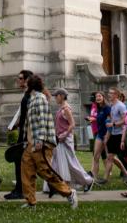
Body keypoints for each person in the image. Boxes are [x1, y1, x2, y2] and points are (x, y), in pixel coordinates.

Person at [20, 75, 77, 210]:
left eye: (26, 84)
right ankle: (31, 202)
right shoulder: (33, 99)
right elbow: (30, 123)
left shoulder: (39, 98)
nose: (24, 85)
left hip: (41, 143)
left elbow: (42, 120)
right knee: (26, 170)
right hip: (31, 143)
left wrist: (39, 140)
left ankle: (69, 193)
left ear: (31, 86)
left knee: (45, 171)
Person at [44, 89, 92, 195]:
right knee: (56, 162)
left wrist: (64, 135)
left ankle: (88, 181)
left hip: (65, 140)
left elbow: (72, 124)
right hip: (59, 139)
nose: (55, 98)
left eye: (56, 96)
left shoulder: (66, 109)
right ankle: (55, 185)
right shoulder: (61, 108)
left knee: (71, 164)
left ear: (61, 96)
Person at [4, 70, 33, 200]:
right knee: (20, 162)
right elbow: (23, 116)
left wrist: (27, 135)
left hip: (26, 136)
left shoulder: (29, 96)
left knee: (22, 162)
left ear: (27, 80)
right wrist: (15, 125)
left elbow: (29, 117)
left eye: (20, 78)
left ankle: (20, 190)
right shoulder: (26, 95)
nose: (18, 80)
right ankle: (19, 189)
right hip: (23, 134)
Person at [104, 87, 127, 185]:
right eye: (109, 93)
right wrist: (108, 133)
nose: (109, 95)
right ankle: (105, 179)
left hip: (120, 135)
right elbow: (113, 120)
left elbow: (125, 120)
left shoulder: (121, 106)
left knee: (126, 158)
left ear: (116, 95)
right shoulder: (112, 105)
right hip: (113, 134)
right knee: (110, 157)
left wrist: (113, 124)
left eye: (111, 93)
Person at [87, 91, 109, 180]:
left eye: (99, 96)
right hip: (99, 134)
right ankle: (94, 177)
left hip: (106, 134)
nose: (98, 98)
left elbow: (108, 122)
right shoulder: (98, 107)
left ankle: (108, 177)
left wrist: (108, 135)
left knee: (110, 157)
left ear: (103, 97)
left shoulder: (107, 108)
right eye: (96, 97)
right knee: (96, 155)